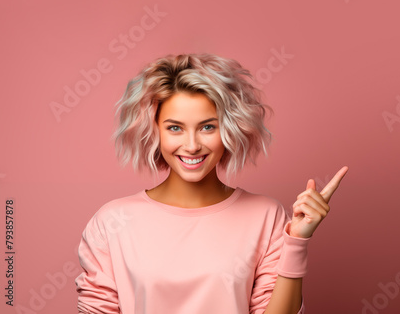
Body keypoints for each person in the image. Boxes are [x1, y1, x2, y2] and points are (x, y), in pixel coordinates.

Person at [75, 53, 348, 314]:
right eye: (175, 128)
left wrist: (297, 240)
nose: (192, 146)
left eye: (208, 127)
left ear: (229, 129)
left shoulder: (265, 216)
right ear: (153, 130)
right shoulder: (113, 222)